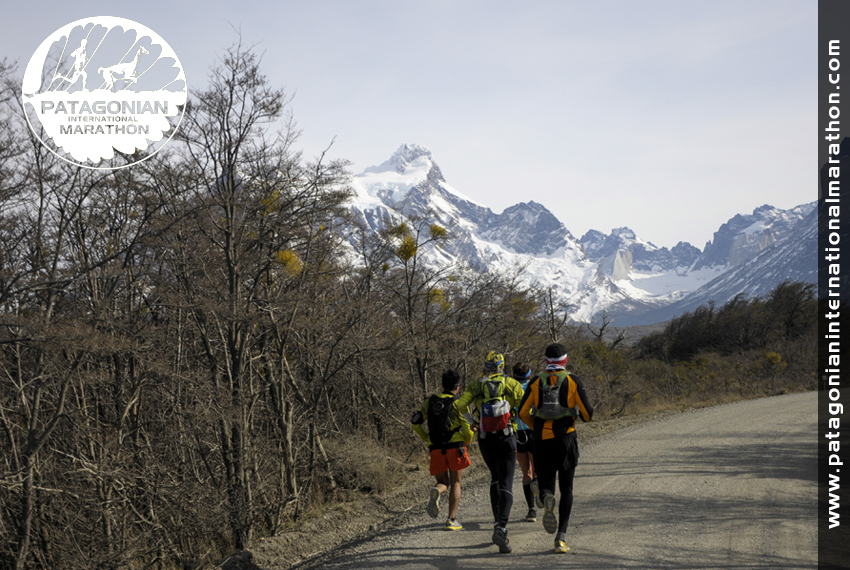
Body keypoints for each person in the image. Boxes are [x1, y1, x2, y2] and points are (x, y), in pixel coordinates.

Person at [519, 343, 593, 554]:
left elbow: (523, 412)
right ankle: (560, 539)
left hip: (542, 440)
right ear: (565, 361)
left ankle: (545, 498)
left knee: (546, 484)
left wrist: (537, 426)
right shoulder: (572, 380)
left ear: (546, 361)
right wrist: (577, 416)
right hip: (566, 440)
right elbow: (588, 414)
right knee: (567, 488)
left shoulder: (535, 381)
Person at [455, 351, 525, 554]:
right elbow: (524, 406)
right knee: (507, 481)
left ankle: (497, 524)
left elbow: (460, 405)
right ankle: (501, 528)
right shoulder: (511, 384)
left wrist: (473, 422)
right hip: (507, 436)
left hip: (486, 438)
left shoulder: (477, 385)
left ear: (485, 366)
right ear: (502, 366)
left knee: (495, 478)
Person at [411, 369, 473, 531]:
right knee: (456, 483)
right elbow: (468, 429)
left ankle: (437, 491)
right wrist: (466, 442)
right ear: (457, 387)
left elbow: (415, 423)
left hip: (435, 448)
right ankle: (451, 519)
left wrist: (427, 438)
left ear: (442, 384)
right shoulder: (459, 404)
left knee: (442, 483)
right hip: (455, 448)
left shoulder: (429, 402)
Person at [511, 361, 539, 522]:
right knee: (536, 471)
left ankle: (531, 511)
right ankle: (538, 488)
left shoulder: (510, 388)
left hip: (517, 433)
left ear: (514, 374)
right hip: (533, 431)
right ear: (529, 373)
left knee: (525, 473)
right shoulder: (534, 386)